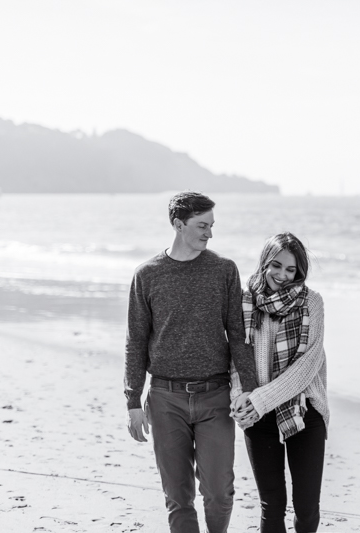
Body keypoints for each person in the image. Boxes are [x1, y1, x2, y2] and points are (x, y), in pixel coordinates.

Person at [124, 191, 258, 533]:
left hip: (215, 396)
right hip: (164, 399)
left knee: (219, 491)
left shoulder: (224, 270)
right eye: (202, 226)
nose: (209, 234)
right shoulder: (147, 274)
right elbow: (136, 341)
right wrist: (132, 402)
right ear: (177, 224)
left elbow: (237, 334)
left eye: (212, 226)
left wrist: (251, 390)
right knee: (177, 496)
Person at [230, 232, 329, 533]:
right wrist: (239, 397)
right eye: (276, 266)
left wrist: (259, 400)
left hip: (304, 410)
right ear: (264, 263)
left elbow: (308, 365)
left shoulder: (312, 302)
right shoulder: (243, 301)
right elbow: (235, 356)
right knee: (271, 506)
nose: (283, 276)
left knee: (307, 506)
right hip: (257, 414)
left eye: (291, 270)